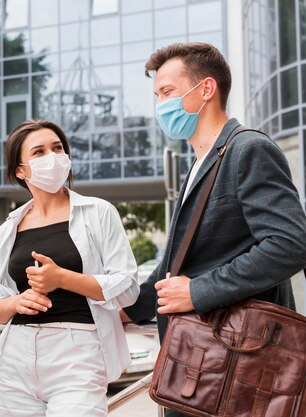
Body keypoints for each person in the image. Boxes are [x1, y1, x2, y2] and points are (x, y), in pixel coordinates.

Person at [120, 43, 306, 417]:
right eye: (156, 95)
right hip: (199, 370)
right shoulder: (201, 165)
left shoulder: (248, 149)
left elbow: (289, 244)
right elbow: (173, 268)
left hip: (239, 369)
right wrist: (118, 308)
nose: (160, 105)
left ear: (206, 89)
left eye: (168, 92)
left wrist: (199, 291)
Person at [0, 119, 139, 417]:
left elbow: (128, 287)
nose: (52, 157)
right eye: (38, 152)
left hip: (78, 351)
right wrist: (15, 301)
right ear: (20, 170)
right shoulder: (8, 228)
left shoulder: (98, 212)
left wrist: (62, 278)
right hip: (17, 354)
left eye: (57, 148)